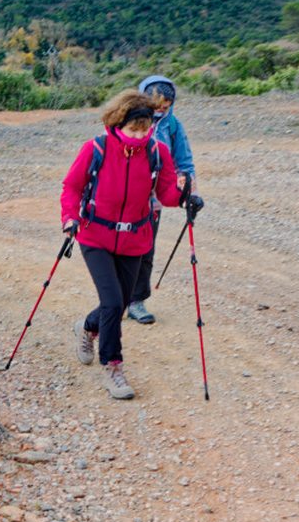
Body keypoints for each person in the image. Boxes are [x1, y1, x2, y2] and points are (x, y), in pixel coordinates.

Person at [60, 89, 202, 400]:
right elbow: (72, 187)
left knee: (120, 303)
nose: (139, 136)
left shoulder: (157, 152)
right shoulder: (95, 148)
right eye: (133, 129)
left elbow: (165, 194)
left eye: (144, 129)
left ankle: (87, 327)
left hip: (136, 238)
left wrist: (185, 197)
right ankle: (113, 367)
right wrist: (70, 218)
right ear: (117, 123)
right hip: (95, 235)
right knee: (113, 302)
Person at [127, 75, 196, 325]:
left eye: (165, 107)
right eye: (156, 107)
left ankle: (136, 301)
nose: (160, 112)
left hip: (152, 201)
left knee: (145, 249)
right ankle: (115, 298)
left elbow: (184, 161)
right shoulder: (126, 119)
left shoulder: (173, 125)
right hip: (122, 197)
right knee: (118, 250)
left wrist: (191, 193)